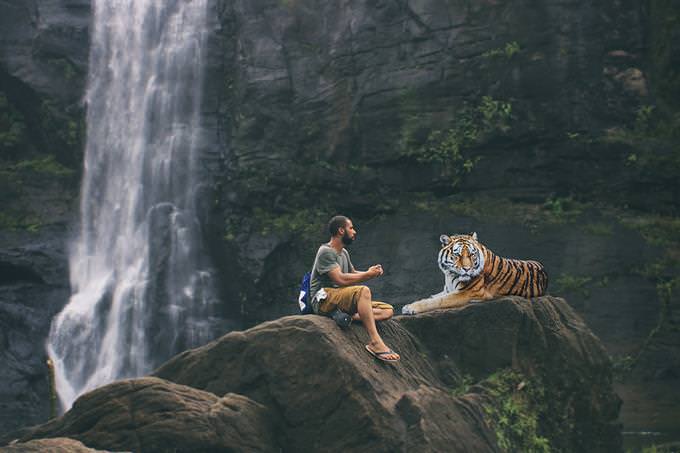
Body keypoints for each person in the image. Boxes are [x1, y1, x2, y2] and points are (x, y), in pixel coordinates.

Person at [309, 215, 400, 362]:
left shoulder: (343, 252)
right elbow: (340, 279)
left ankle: (344, 316)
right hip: (323, 298)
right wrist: (368, 276)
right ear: (340, 230)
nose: (354, 231)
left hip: (339, 298)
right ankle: (375, 342)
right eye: (351, 228)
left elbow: (351, 273)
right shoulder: (326, 251)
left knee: (387, 310)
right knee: (363, 291)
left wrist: (369, 272)